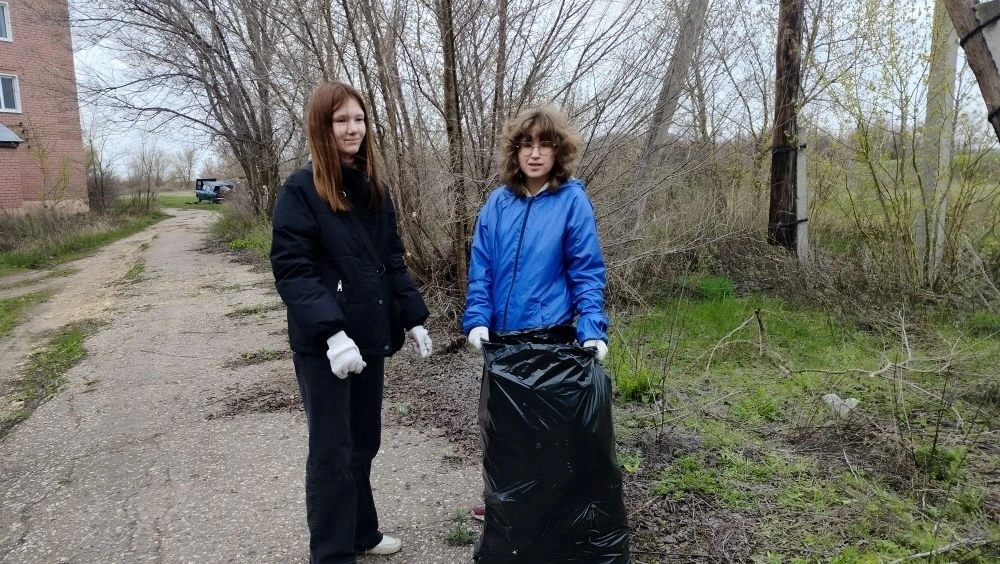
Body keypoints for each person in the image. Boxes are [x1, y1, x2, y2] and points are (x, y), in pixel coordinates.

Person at [270, 81, 433, 563]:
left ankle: (362, 533)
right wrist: (331, 333)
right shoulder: (301, 190)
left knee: (364, 440)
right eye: (341, 120)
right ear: (322, 127)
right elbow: (293, 271)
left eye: (358, 119)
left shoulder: (375, 188)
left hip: (369, 339)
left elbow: (391, 260)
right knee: (331, 452)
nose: (352, 128)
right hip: (327, 347)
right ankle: (333, 552)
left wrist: (413, 316)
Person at [462, 104, 610, 521]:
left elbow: (586, 271)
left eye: (545, 144)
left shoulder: (571, 202)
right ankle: (504, 503)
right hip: (503, 340)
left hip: (552, 337)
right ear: (515, 152)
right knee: (504, 428)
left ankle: (549, 513)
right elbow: (482, 268)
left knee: (549, 431)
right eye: (526, 144)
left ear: (558, 151)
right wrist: (476, 319)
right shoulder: (498, 203)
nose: (535, 153)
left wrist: (592, 327)